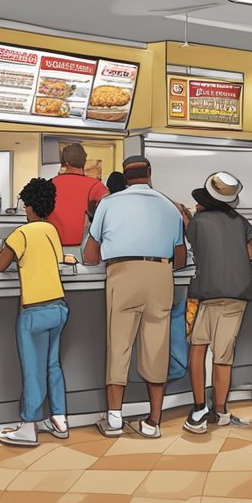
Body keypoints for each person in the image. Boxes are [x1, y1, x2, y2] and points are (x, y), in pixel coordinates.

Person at [84, 155, 186, 438]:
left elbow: (90, 256)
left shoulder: (109, 203)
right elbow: (180, 257)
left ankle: (114, 419)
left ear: (124, 177)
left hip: (123, 273)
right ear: (150, 173)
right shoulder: (169, 206)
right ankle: (153, 421)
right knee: (157, 347)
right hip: (161, 275)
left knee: (119, 344)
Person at [182, 172, 252, 433]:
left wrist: (188, 218)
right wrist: (234, 250)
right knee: (224, 355)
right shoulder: (240, 221)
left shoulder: (197, 221)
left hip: (206, 294)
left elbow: (194, 244)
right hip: (237, 293)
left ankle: (199, 410)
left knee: (198, 348)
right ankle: (220, 410)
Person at [0, 178, 69, 447]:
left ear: (30, 205)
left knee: (33, 369)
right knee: (52, 365)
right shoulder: (51, 230)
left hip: (34, 310)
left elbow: (0, 265)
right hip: (59, 307)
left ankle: (28, 426)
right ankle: (59, 420)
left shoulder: (21, 234)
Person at [51, 142, 109, 248]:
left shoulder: (50, 184)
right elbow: (110, 206)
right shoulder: (94, 184)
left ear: (66, 162)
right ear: (84, 161)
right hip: (82, 246)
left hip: (52, 245)